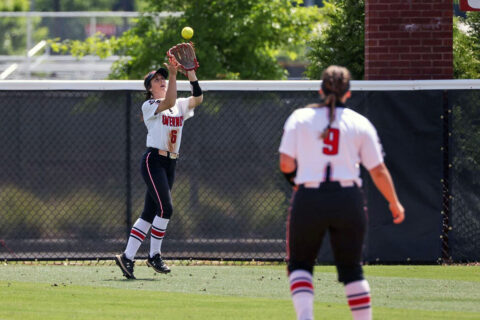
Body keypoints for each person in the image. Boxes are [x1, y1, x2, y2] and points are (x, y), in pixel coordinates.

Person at [278, 65, 404, 320]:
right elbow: (378, 170)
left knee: (300, 265)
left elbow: (286, 163)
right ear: (348, 93)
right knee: (351, 270)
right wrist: (394, 203)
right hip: (348, 199)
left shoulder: (300, 118)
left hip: (309, 197)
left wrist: (294, 179)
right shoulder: (359, 122)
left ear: (320, 89)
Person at [115, 62, 203, 279]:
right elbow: (169, 99)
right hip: (153, 160)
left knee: (148, 214)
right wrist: (173, 74)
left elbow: (198, 98)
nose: (162, 81)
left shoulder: (179, 105)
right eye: (157, 79)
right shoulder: (150, 105)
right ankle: (154, 254)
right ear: (149, 88)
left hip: (170, 163)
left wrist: (190, 73)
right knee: (166, 208)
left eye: (164, 78)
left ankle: (127, 257)